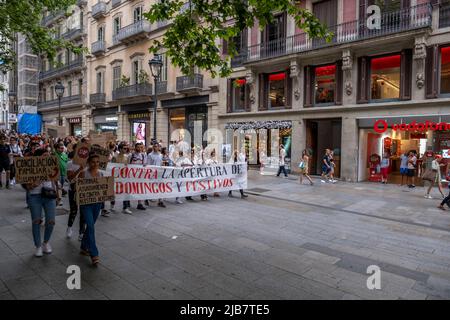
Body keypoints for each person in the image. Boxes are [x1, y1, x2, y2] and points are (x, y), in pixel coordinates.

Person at [25, 148, 59, 257]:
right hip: (35, 196)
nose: (47, 157)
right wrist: (41, 177)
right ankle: (38, 246)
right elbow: (28, 186)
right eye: (45, 155)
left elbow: (54, 181)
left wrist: (57, 194)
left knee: (51, 220)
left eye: (48, 155)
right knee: (36, 221)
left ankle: (46, 242)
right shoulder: (30, 168)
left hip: (49, 196)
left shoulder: (51, 166)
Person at [78, 154, 103, 266]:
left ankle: (84, 246)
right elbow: (78, 188)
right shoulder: (84, 173)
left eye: (97, 162)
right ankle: (94, 254)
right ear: (88, 163)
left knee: (90, 226)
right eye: (93, 162)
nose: (95, 164)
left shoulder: (101, 174)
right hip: (86, 204)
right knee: (91, 226)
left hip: (96, 204)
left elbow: (103, 188)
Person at [66, 149, 86, 240]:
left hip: (83, 190)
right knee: (73, 210)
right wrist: (79, 169)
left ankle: (81, 232)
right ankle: (69, 227)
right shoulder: (70, 163)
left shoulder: (87, 164)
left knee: (83, 212)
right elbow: (70, 178)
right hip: (73, 190)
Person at [112, 143, 132, 214]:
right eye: (124, 148)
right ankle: (112, 205)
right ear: (120, 149)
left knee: (126, 192)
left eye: (126, 148)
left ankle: (125, 207)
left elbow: (128, 167)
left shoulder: (127, 157)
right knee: (114, 191)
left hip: (124, 177)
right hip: (116, 177)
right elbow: (112, 167)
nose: (126, 150)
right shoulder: (115, 157)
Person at [147, 143, 166, 207]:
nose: (155, 148)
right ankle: (146, 198)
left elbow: (161, 163)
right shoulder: (150, 155)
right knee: (150, 186)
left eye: (157, 146)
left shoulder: (160, 155)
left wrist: (162, 167)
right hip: (152, 173)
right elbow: (148, 164)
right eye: (154, 146)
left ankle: (160, 201)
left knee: (160, 186)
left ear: (158, 147)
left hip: (159, 173)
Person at [130, 143, 147, 210]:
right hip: (132, 176)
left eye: (141, 147)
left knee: (140, 189)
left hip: (140, 176)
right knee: (130, 189)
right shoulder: (131, 155)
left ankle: (139, 203)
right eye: (138, 147)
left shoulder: (143, 155)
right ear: (135, 148)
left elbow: (145, 165)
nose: (139, 149)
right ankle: (127, 202)